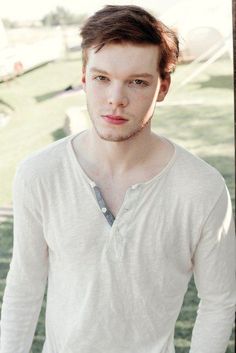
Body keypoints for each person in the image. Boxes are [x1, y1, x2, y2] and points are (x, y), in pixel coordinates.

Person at [0, 5, 235, 353]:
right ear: (84, 78)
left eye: (137, 82)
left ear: (164, 86)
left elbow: (220, 301)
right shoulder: (39, 174)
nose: (115, 99)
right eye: (101, 78)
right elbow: (24, 287)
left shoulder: (201, 188)